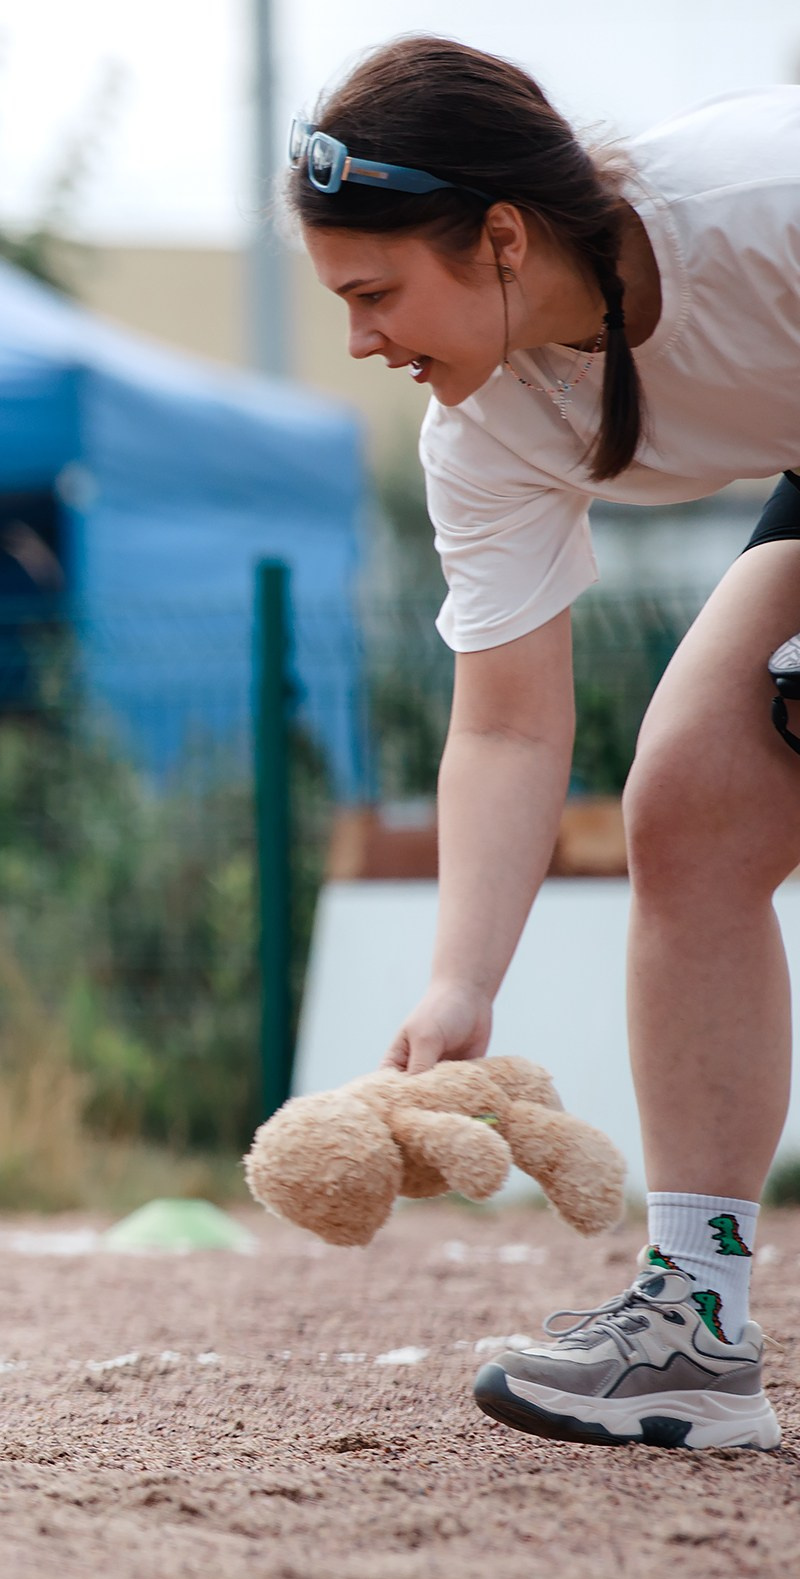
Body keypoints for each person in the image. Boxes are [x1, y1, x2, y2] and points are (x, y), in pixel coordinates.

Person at [292, 38, 800, 1450]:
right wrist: (463, 981)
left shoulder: (767, 197)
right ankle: (695, 1327)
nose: (361, 341)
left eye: (376, 292)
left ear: (501, 237)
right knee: (694, 804)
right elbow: (509, 725)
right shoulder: (485, 425)